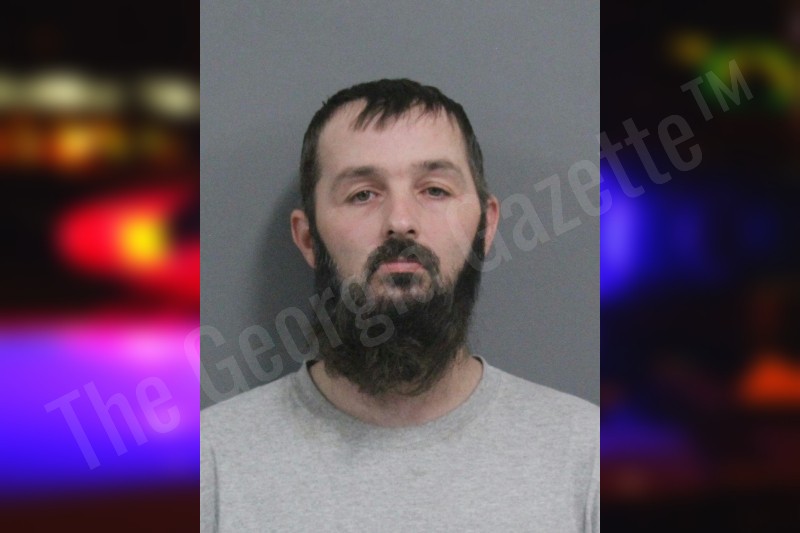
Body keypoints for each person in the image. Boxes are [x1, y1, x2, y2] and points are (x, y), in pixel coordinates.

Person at [201, 79, 599, 532]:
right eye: (363, 194)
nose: (401, 222)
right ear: (308, 238)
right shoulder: (208, 465)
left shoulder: (588, 460)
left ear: (485, 227)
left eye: (435, 190)